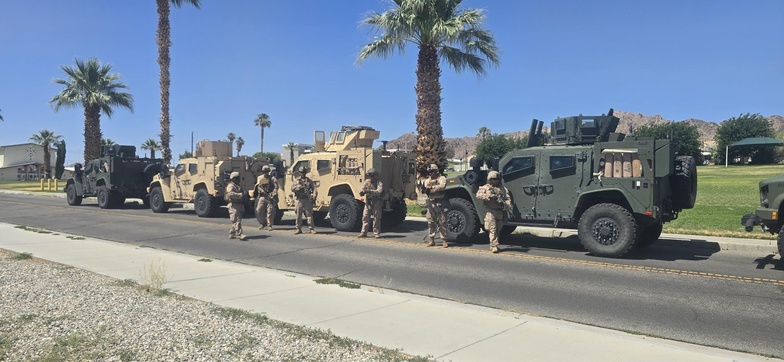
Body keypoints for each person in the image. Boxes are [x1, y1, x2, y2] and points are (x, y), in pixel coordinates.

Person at [476, 171, 512, 253]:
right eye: (493, 179)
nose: (495, 181)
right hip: (490, 210)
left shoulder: (502, 188)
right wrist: (488, 196)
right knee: (493, 228)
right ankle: (494, 245)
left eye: (497, 179)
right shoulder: (486, 187)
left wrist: (507, 204)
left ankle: (494, 244)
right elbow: (478, 195)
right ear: (490, 179)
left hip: (499, 211)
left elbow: (507, 198)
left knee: (498, 228)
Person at [423, 164, 448, 247]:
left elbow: (442, 186)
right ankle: (432, 240)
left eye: (432, 171)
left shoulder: (442, 179)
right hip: (431, 202)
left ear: (436, 171)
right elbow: (425, 190)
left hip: (439, 202)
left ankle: (444, 240)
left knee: (442, 222)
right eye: (429, 172)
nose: (430, 173)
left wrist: (431, 188)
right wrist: (426, 189)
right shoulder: (427, 180)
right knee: (430, 222)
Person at [291, 165, 317, 235]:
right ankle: (298, 228)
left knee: (309, 214)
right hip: (299, 199)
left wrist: (314, 196)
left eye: (304, 172)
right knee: (298, 215)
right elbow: (292, 188)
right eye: (302, 172)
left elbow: (314, 188)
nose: (303, 174)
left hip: (307, 199)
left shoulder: (309, 181)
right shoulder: (297, 180)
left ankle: (311, 228)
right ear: (299, 173)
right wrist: (298, 187)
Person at [358, 168, 384, 238]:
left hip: (376, 201)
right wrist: (362, 192)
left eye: (373, 176)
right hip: (368, 201)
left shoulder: (379, 182)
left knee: (377, 217)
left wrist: (370, 191)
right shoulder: (367, 182)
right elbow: (363, 188)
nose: (372, 178)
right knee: (365, 217)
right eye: (370, 176)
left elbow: (379, 191)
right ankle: (364, 232)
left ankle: (376, 233)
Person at [254, 165, 278, 231]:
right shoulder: (260, 178)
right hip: (262, 197)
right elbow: (258, 186)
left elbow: (276, 187)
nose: (266, 173)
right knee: (258, 210)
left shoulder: (272, 178)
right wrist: (260, 190)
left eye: (267, 171)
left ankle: (269, 225)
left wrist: (273, 193)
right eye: (264, 171)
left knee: (270, 212)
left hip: (270, 197)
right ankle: (263, 223)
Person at [225, 171, 247, 240]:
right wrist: (240, 195)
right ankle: (240, 234)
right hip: (233, 205)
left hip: (239, 204)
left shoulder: (238, 186)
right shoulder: (230, 186)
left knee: (237, 220)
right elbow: (230, 194)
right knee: (237, 220)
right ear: (233, 179)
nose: (238, 179)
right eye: (237, 178)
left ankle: (232, 234)